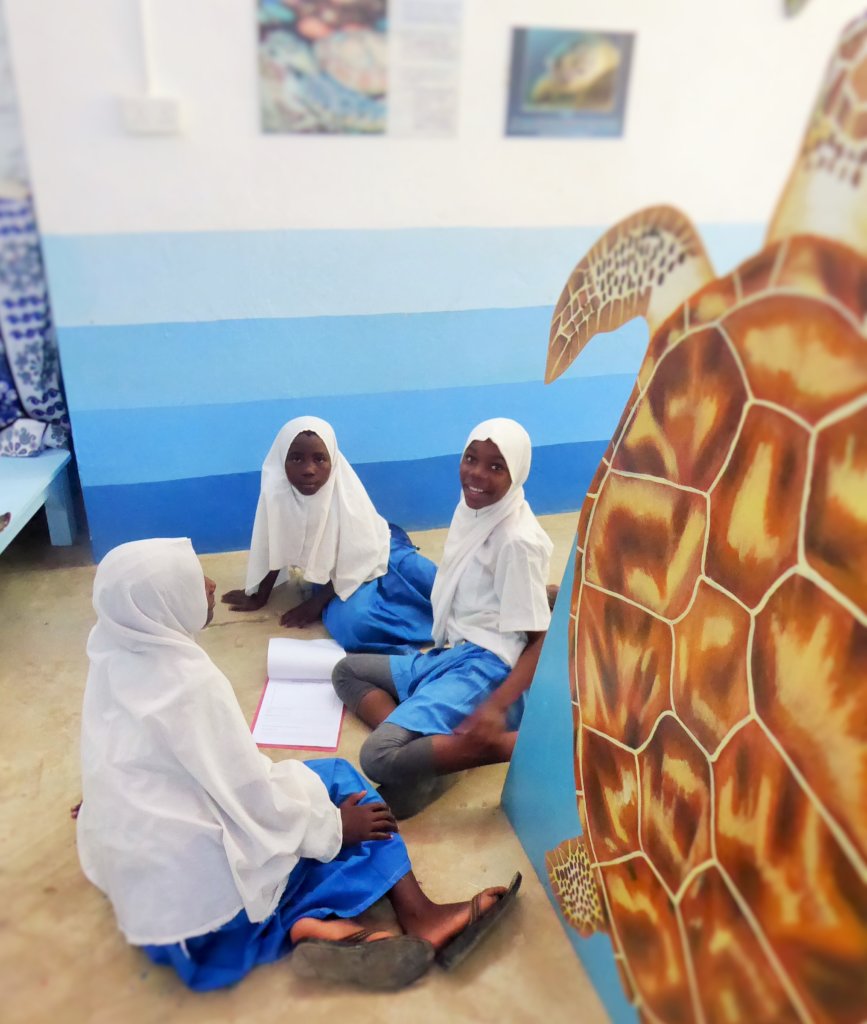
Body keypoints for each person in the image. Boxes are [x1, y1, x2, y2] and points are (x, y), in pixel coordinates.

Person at [76, 538, 520, 992]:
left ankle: (312, 927)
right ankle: (420, 915)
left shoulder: (111, 653)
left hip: (161, 919)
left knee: (302, 809)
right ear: (159, 602)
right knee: (341, 790)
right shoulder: (189, 684)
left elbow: (117, 750)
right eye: (192, 579)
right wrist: (333, 827)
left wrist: (107, 799)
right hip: (215, 914)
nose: (209, 585)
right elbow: (250, 796)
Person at [332, 418, 553, 819]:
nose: (477, 475)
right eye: (471, 459)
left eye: (496, 466)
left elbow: (538, 640)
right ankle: (433, 756)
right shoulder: (475, 508)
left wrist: (495, 709)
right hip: (453, 652)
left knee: (377, 756)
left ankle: (499, 745)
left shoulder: (516, 540)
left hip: (486, 667)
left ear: (516, 472)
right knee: (346, 671)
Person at [222, 416, 436, 654]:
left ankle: (466, 619)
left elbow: (362, 552)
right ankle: (430, 627)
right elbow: (275, 541)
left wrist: (314, 605)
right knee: (355, 627)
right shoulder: (278, 492)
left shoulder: (345, 492)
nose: (309, 470)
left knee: (436, 580)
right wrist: (260, 594)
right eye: (296, 459)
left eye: (320, 459)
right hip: (334, 578)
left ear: (333, 460)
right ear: (282, 460)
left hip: (382, 551)